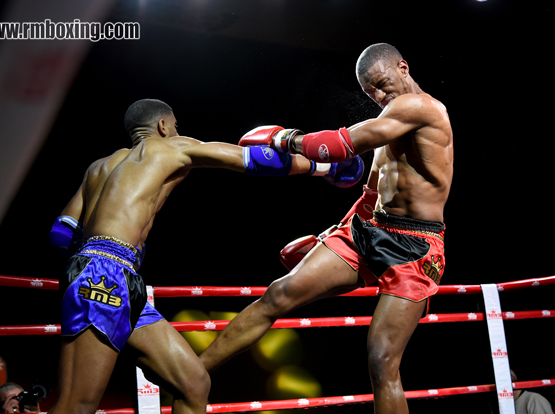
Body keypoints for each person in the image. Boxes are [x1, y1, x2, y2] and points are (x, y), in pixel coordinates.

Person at [47, 98, 363, 414]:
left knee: (193, 384)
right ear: (162, 126)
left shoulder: (99, 167)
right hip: (105, 277)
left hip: (113, 274)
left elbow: (61, 234)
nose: (176, 131)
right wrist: (326, 167)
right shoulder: (169, 148)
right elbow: (254, 160)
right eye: (175, 126)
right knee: (78, 404)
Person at [199, 43, 453, 414]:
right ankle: (193, 373)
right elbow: (373, 186)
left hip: (415, 246)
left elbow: (341, 144)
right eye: (371, 93)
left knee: (382, 358)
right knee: (278, 295)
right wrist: (335, 218)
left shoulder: (422, 108)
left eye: (383, 85)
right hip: (366, 227)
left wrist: (286, 139)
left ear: (403, 67)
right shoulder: (392, 117)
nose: (380, 96)